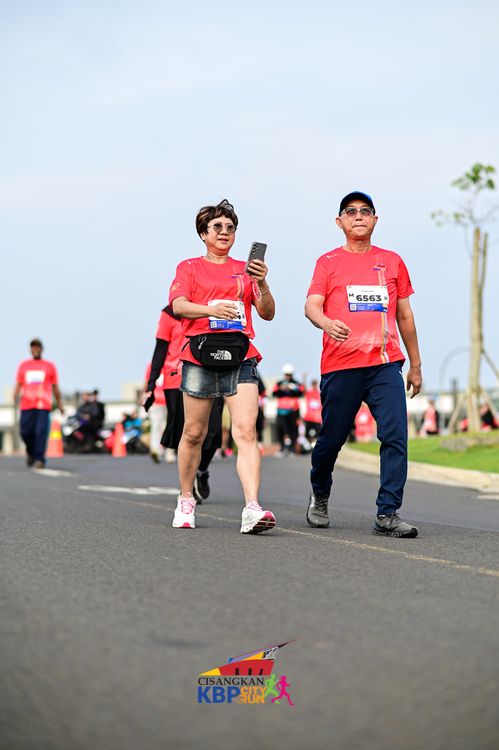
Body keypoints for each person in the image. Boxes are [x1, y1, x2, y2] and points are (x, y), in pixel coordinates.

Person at [305, 191, 422, 538]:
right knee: (331, 440)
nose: (359, 216)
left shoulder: (392, 261)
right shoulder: (328, 262)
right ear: (340, 221)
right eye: (351, 211)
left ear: (375, 220)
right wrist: (326, 323)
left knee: (395, 435)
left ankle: (388, 513)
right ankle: (320, 492)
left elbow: (405, 315)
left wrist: (415, 365)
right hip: (341, 365)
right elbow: (312, 306)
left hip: (385, 364)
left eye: (365, 211)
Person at [169, 198, 276, 533]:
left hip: (241, 355)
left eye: (230, 227)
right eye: (217, 227)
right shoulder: (189, 267)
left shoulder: (246, 271)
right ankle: (186, 499)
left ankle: (252, 508)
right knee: (194, 433)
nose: (224, 232)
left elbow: (268, 313)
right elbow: (178, 306)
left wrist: (262, 283)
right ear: (203, 233)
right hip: (200, 355)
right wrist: (211, 310)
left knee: (246, 431)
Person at [142, 305, 224, 499]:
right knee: (185, 434)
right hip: (176, 379)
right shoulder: (169, 314)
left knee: (213, 431)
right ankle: (187, 485)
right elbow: (161, 348)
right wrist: (151, 384)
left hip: (210, 374)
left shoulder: (210, 307)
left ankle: (202, 470)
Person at [13, 338, 64, 468]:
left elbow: (55, 387)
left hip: (43, 405)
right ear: (30, 350)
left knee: (41, 432)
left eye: (37, 347)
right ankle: (31, 452)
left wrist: (60, 404)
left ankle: (40, 459)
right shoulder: (24, 366)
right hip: (27, 404)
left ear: (41, 349)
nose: (35, 350)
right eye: (33, 347)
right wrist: (15, 397)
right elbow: (18, 384)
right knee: (25, 432)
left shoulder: (49, 366)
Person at [272, 364, 304, 454]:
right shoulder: (279, 383)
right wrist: (281, 389)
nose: (288, 376)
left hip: (293, 410)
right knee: (281, 428)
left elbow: (301, 392)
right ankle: (282, 447)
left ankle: (292, 448)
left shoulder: (297, 383)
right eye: (286, 374)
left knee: (293, 429)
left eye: (289, 375)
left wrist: (293, 388)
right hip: (281, 410)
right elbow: (274, 393)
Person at [303, 378, 322, 444]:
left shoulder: (319, 394)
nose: (314, 386)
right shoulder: (309, 393)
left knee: (318, 433)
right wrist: (304, 379)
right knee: (307, 433)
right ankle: (309, 443)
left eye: (315, 384)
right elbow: (304, 389)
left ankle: (315, 444)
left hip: (317, 418)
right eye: (313, 384)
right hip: (308, 417)